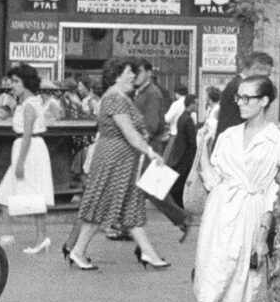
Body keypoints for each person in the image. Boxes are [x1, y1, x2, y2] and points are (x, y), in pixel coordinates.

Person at [189, 75, 280, 302]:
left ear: (264, 101)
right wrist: (202, 148)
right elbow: (213, 179)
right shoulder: (228, 135)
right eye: (238, 97)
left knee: (221, 286)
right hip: (218, 214)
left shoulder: (276, 140)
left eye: (246, 98)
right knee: (214, 284)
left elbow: (272, 191)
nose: (239, 103)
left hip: (247, 217)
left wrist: (262, 236)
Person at [65, 58, 169, 271]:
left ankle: (148, 253)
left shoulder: (118, 96)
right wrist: (150, 152)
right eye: (129, 72)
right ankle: (78, 250)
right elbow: (129, 132)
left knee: (129, 205)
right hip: (114, 159)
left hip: (120, 160)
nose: (133, 76)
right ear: (117, 75)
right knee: (102, 203)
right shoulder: (115, 98)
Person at [0, 64, 54, 254]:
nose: (12, 85)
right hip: (28, 149)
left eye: (16, 81)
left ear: (26, 83)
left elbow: (27, 134)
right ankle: (10, 235)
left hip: (29, 151)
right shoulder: (28, 102)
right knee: (6, 194)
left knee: (33, 194)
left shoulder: (29, 105)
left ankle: (40, 238)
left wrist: (20, 163)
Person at [133, 59, 190, 240]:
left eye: (139, 71)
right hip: (143, 144)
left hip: (148, 145)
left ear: (149, 73)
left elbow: (151, 124)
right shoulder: (141, 92)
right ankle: (131, 226)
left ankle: (182, 218)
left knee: (152, 187)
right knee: (146, 187)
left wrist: (135, 134)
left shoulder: (152, 93)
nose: (135, 75)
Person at [213, 52, 274, 144]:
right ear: (254, 69)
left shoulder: (236, 84)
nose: (267, 80)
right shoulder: (239, 88)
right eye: (266, 76)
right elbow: (234, 122)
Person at [166, 94, 198, 210]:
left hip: (180, 152)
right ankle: (177, 204)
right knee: (182, 180)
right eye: (196, 103)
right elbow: (192, 140)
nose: (197, 106)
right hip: (186, 154)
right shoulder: (188, 120)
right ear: (191, 104)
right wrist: (195, 155)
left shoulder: (182, 117)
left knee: (180, 179)